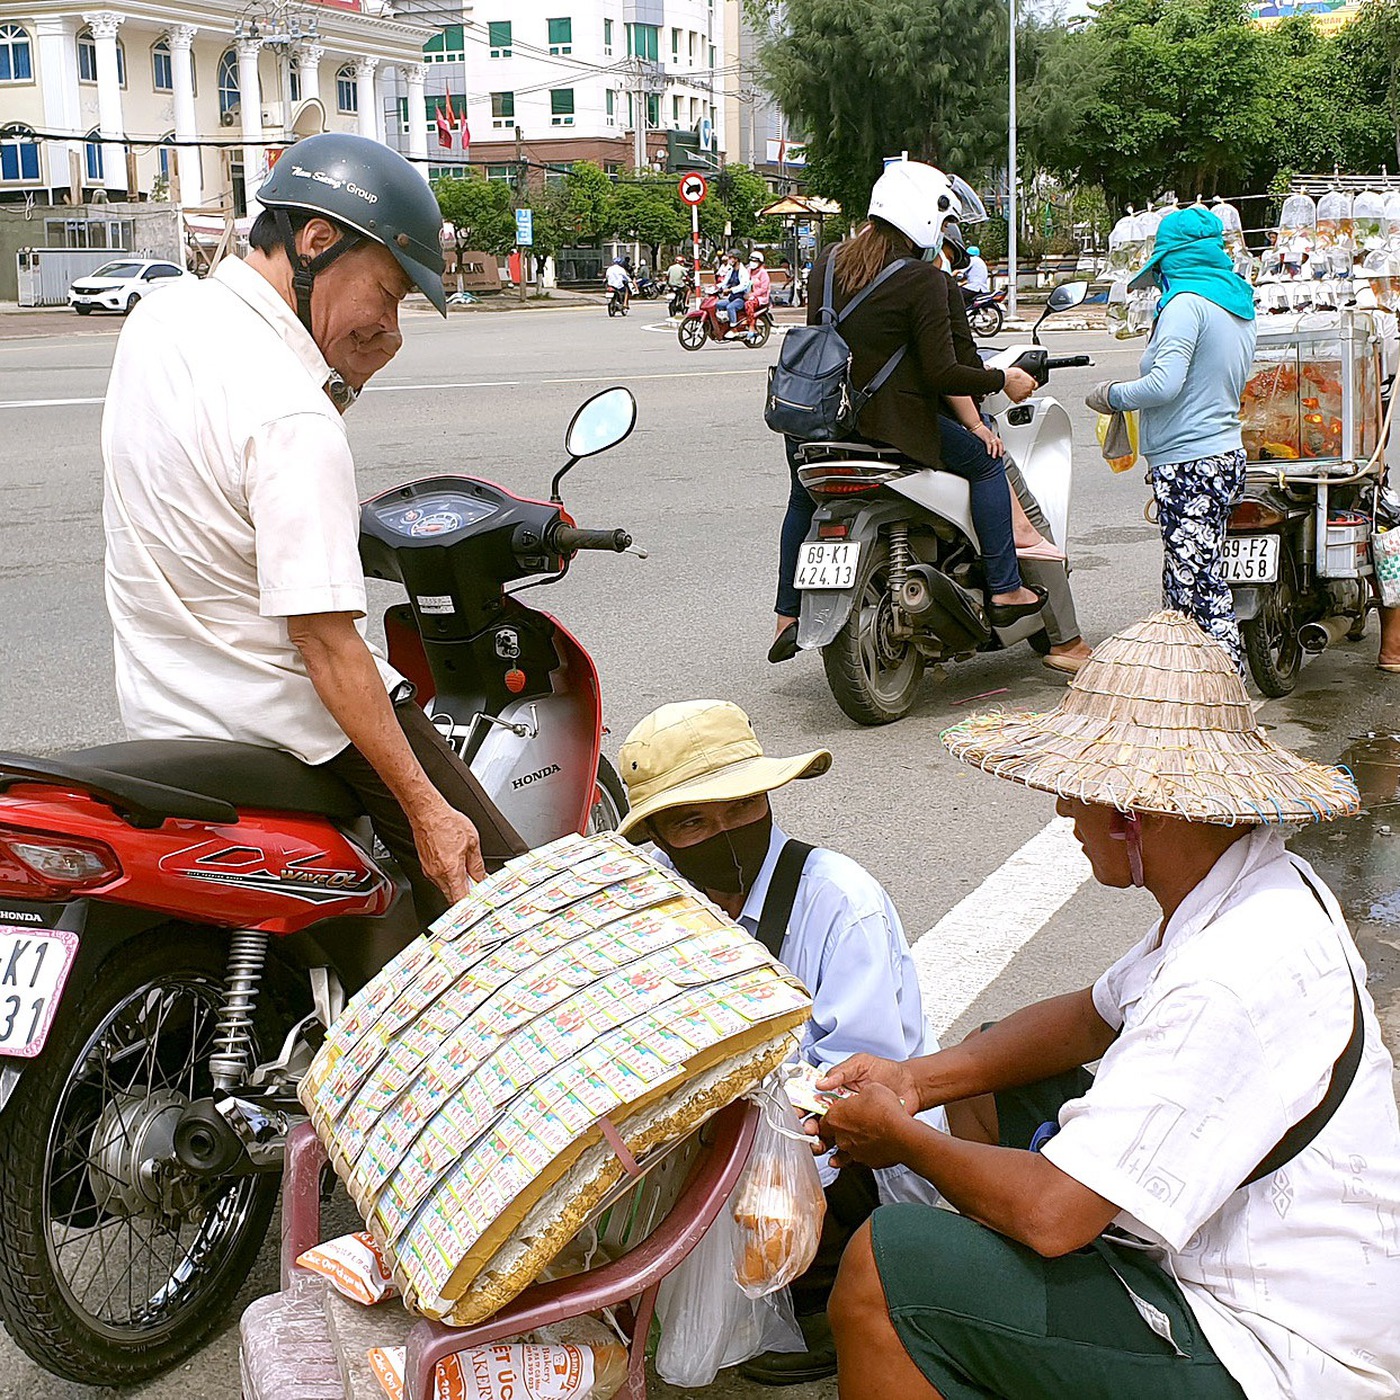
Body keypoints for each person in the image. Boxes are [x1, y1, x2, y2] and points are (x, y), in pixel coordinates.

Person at [811, 610, 1400, 1400]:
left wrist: (899, 1138)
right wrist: (918, 1083)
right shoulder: (1246, 883)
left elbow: (1056, 1216)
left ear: (1134, 812)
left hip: (1274, 1348)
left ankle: (963, 1334)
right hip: (1252, 1257)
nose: (1064, 813)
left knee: (886, 1269)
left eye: (1077, 793)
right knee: (985, 1072)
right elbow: (1092, 1015)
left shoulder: (1229, 975)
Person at [101, 133, 525, 925]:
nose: (389, 325)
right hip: (286, 722)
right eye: (391, 293)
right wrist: (430, 816)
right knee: (501, 899)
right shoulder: (292, 415)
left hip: (165, 713)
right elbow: (326, 646)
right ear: (317, 241)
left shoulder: (162, 319)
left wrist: (340, 371)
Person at [617, 699, 947, 1384]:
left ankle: (833, 1307)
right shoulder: (652, 897)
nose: (726, 831)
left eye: (741, 808)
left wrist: (763, 1162)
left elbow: (860, 1080)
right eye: (693, 821)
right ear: (659, 835)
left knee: (790, 1165)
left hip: (848, 1147)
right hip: (723, 1125)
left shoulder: (837, 902)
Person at [770, 161, 1043, 663]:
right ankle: (1005, 587)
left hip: (818, 422)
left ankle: (787, 613)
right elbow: (944, 373)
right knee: (985, 464)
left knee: (801, 498)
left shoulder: (828, 263)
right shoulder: (922, 279)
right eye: (941, 223)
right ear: (924, 217)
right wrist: (1002, 379)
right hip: (890, 428)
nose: (941, 235)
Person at [1087, 206, 1257, 673]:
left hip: (1191, 464)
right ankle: (1187, 692)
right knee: (1187, 582)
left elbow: (1164, 385)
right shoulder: (1237, 303)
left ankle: (1225, 694)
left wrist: (1111, 395)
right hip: (1221, 455)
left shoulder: (1186, 305)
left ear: (1176, 260)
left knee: (1198, 591)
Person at [936, 221, 1094, 675]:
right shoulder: (932, 283)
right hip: (942, 418)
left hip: (866, 425)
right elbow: (947, 371)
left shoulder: (854, 275)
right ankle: (1064, 638)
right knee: (1027, 515)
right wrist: (988, 399)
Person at [718, 248, 752, 325]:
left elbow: (743, 285)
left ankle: (734, 328)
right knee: (718, 304)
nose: (729, 260)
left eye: (730, 258)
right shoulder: (731, 270)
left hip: (741, 298)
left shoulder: (743, 271)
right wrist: (715, 287)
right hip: (732, 297)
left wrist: (730, 290)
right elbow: (725, 282)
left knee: (730, 307)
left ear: (736, 259)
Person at [743, 250, 772, 329]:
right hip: (746, 294)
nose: (753, 263)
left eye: (755, 261)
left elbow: (764, 289)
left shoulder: (763, 273)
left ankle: (751, 325)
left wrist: (752, 295)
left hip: (760, 297)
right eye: (751, 261)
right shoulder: (748, 271)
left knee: (749, 304)